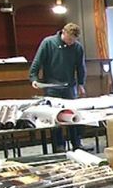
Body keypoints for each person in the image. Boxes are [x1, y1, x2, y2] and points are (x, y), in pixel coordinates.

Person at [29, 22, 90, 153]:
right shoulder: (48, 43)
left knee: (73, 116)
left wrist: (81, 84)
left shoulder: (77, 47)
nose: (71, 43)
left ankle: (76, 143)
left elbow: (80, 67)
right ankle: (59, 145)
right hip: (52, 86)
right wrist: (34, 79)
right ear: (63, 32)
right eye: (69, 39)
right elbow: (37, 62)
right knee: (55, 117)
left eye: (73, 40)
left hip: (69, 86)